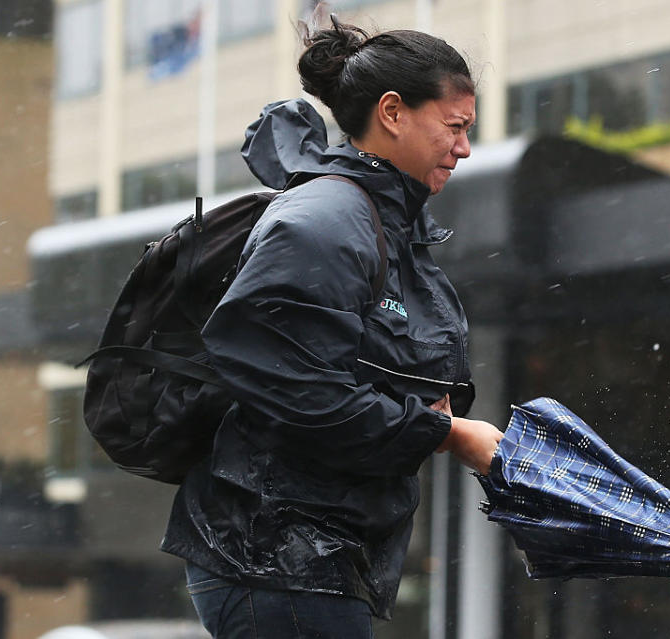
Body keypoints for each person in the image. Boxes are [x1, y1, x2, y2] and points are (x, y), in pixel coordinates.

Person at [160, 15, 504, 639]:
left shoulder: (379, 221)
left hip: (309, 557)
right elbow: (297, 390)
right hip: (275, 556)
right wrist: (444, 433)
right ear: (393, 112)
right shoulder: (326, 220)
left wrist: (432, 413)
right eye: (454, 127)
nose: (464, 149)